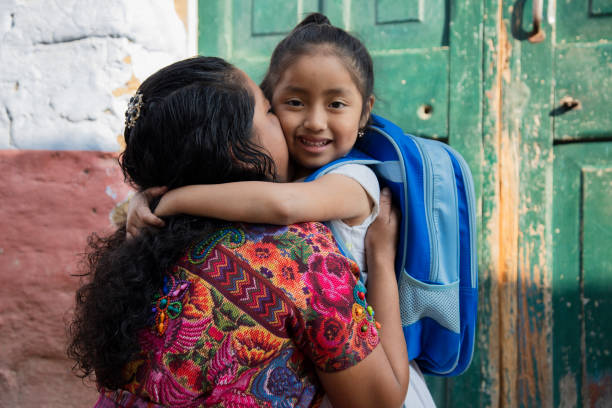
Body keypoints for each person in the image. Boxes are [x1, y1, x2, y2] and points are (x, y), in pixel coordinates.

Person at [127, 13, 435, 407]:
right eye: (288, 105)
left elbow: (284, 206)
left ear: (364, 111)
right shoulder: (280, 185)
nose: (314, 122)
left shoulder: (354, 180)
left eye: (337, 103)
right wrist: (139, 201)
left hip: (377, 367)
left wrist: (173, 198)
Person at [68, 55, 410, 408]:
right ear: (240, 152)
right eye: (270, 111)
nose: (296, 124)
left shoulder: (144, 238)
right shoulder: (298, 258)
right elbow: (380, 401)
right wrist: (382, 258)